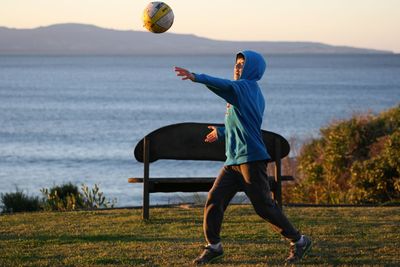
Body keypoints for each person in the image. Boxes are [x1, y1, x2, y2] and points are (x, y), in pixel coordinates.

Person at [174, 50, 312, 265]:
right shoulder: (243, 91)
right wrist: (220, 132)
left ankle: (299, 240)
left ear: (252, 69)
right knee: (214, 200)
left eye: (242, 64)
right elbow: (243, 123)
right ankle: (214, 246)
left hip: (251, 160)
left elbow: (225, 86)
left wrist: (197, 77)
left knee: (264, 207)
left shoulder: (246, 87)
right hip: (233, 162)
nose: (237, 67)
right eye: (236, 64)